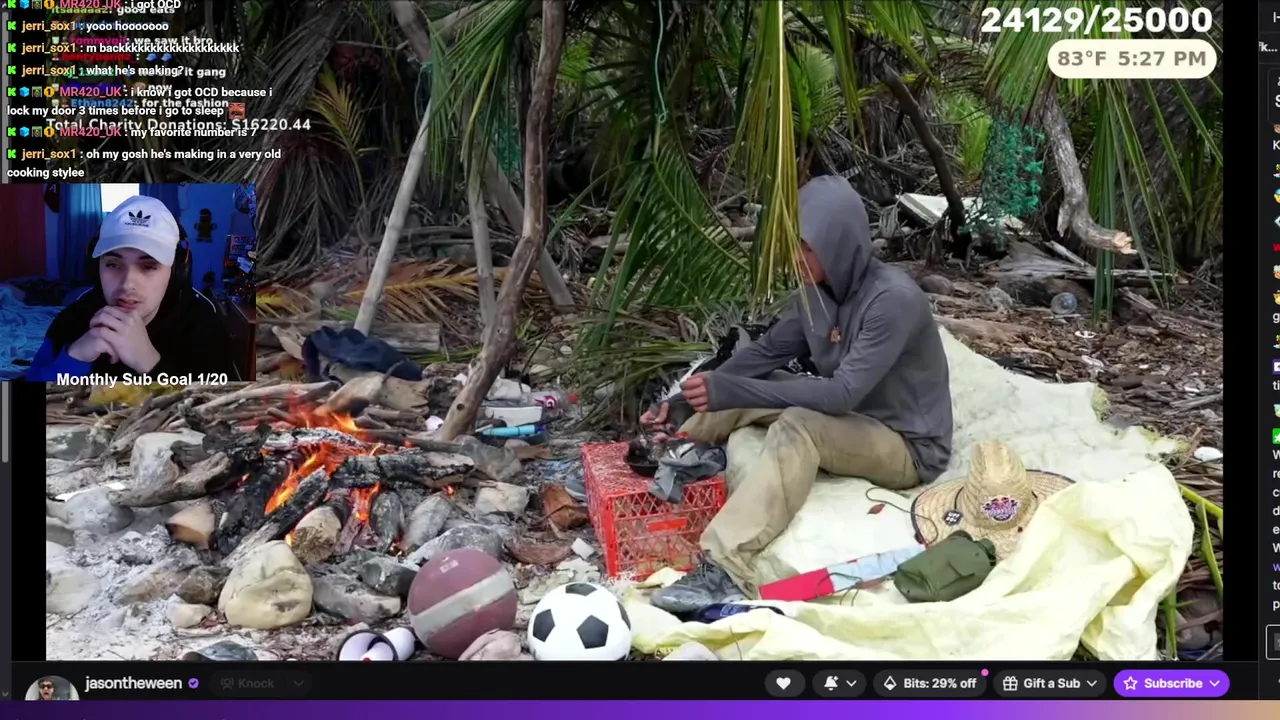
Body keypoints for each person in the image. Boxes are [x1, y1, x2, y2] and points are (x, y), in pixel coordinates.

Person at [644, 175, 953, 613]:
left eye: (807, 247)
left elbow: (841, 395)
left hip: (905, 444)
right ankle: (673, 444)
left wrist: (731, 388)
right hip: (851, 420)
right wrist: (681, 402)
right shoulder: (818, 293)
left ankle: (726, 567)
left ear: (839, 243)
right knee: (763, 382)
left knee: (797, 423)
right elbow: (765, 353)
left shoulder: (892, 300)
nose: (795, 258)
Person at [25, 196, 239, 382]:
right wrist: (74, 359)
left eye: (148, 266)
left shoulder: (205, 327)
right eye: (113, 264)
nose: (127, 284)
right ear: (95, 267)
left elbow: (221, 409)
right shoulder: (71, 320)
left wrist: (151, 365)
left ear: (176, 272)